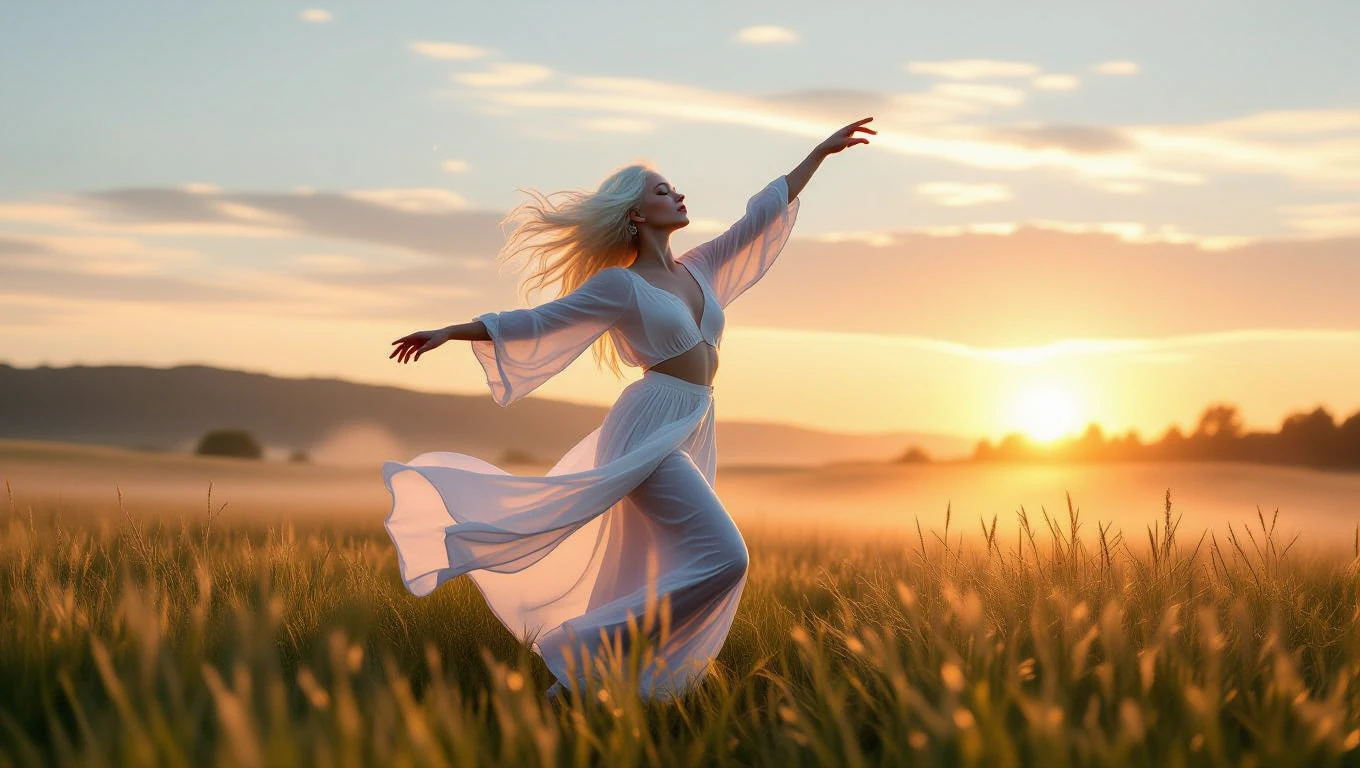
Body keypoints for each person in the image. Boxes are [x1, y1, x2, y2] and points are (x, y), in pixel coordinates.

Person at [383, 117, 875, 698]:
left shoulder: (700, 268)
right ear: (637, 215)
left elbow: (759, 217)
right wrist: (452, 330)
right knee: (726, 558)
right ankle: (582, 644)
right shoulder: (619, 286)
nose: (678, 194)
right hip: (647, 427)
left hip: (692, 423)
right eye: (662, 191)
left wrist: (818, 154)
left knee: (655, 567)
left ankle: (581, 690)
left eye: (673, 187)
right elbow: (539, 321)